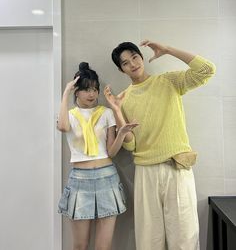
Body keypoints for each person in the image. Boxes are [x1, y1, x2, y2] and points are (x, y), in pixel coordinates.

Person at [104, 40, 216, 250]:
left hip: (177, 167)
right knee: (148, 240)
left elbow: (206, 70)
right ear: (121, 69)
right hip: (146, 172)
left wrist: (168, 50)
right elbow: (130, 146)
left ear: (142, 57)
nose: (133, 64)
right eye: (126, 63)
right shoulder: (122, 99)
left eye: (135, 57)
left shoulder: (169, 81)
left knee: (184, 238)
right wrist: (117, 112)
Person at [57, 62, 138, 250]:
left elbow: (111, 152)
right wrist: (65, 93)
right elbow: (62, 127)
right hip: (80, 180)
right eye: (86, 89)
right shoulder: (69, 115)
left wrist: (121, 133)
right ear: (77, 91)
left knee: (104, 246)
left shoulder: (106, 113)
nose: (92, 94)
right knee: (80, 245)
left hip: (106, 178)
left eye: (94, 89)